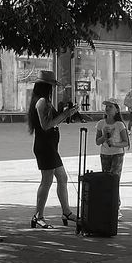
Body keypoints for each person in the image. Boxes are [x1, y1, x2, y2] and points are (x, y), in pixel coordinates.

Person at [27, 70, 80, 229]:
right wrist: (65, 114)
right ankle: (38, 215)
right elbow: (46, 125)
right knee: (47, 180)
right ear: (45, 87)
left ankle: (66, 212)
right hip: (45, 147)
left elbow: (54, 121)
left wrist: (67, 114)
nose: (53, 89)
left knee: (62, 177)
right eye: (51, 86)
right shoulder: (42, 102)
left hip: (50, 146)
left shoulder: (46, 101)